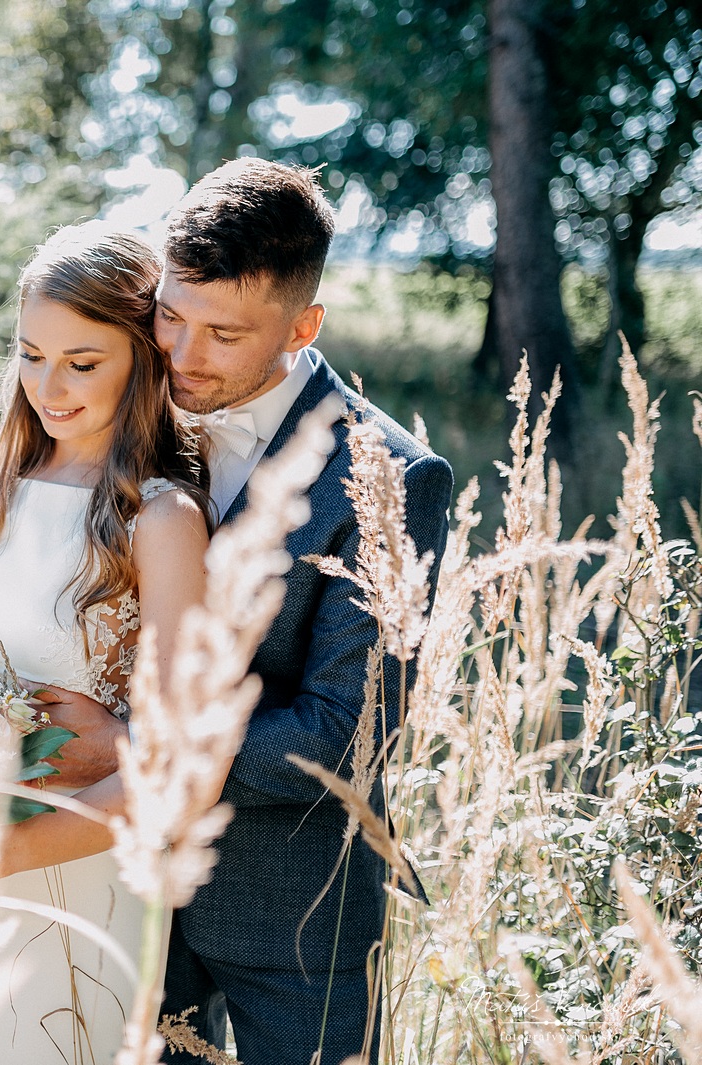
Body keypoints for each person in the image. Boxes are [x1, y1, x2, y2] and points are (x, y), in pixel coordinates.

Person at [31, 159, 455, 1064]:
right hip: (118, 890)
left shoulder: (389, 477)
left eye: (222, 334)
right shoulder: (139, 412)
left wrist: (135, 744)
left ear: (304, 327)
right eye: (171, 316)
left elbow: (345, 734)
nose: (181, 355)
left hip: (291, 920)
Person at [0, 222, 214, 1065]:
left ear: (142, 359)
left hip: (76, 873)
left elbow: (171, 770)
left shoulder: (159, 518)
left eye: (84, 362)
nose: (51, 384)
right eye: (32, 354)